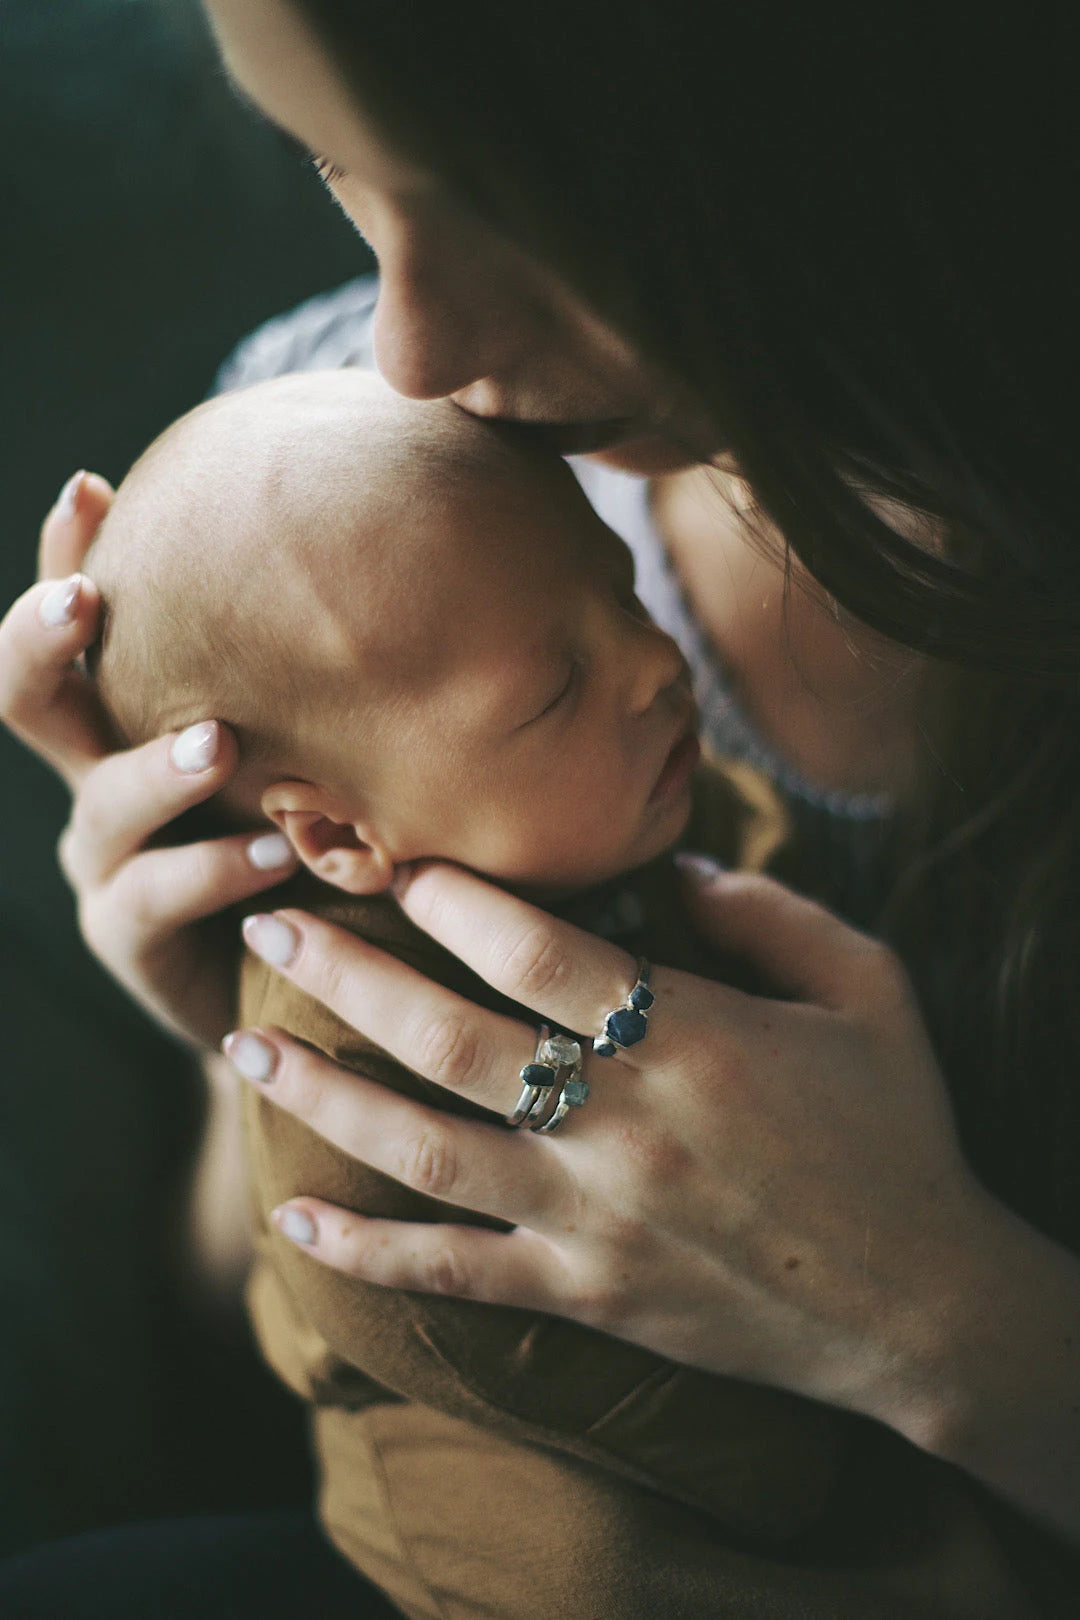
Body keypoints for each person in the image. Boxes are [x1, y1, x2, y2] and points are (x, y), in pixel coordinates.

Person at [1, 0, 1078, 1614]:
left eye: (518, 198)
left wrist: (942, 1319)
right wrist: (256, 1021)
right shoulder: (331, 473)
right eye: (339, 167)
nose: (413, 348)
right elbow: (276, 1340)